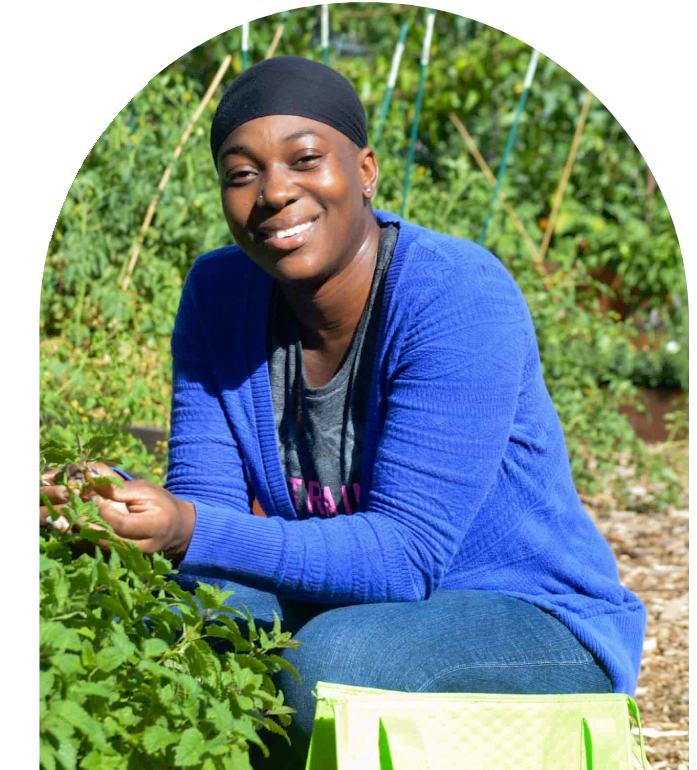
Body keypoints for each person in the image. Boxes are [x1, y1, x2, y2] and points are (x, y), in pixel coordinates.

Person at [39, 56, 647, 768]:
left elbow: (405, 556)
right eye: (241, 174)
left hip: (523, 618)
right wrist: (112, 503)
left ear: (363, 170)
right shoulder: (218, 292)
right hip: (340, 602)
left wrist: (187, 529)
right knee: (166, 618)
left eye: (305, 160)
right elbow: (208, 516)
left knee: (323, 664)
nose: (272, 193)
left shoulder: (454, 294)